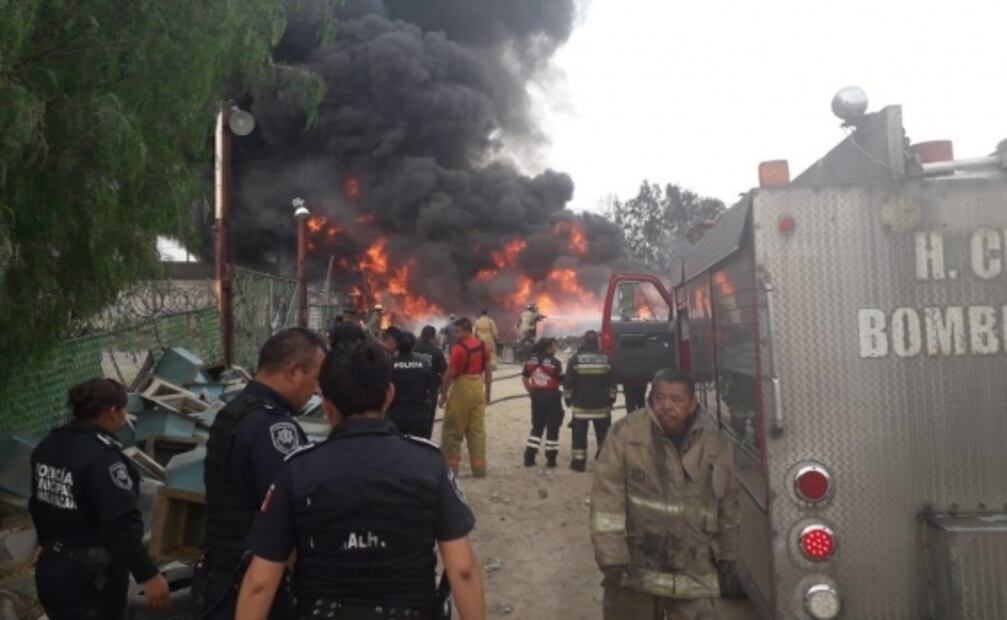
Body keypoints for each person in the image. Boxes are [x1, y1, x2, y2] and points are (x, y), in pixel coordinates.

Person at [236, 341, 486, 620]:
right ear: (389, 395)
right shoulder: (428, 463)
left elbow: (260, 582)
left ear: (328, 407)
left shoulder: (297, 470)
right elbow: (462, 570)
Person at [194, 328, 327, 619]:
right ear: (293, 371)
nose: (317, 391)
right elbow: (290, 514)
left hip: (219, 572)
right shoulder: (275, 428)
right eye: (315, 379)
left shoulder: (233, 411)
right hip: (253, 583)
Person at [590, 370, 741, 620]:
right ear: (650, 399)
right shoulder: (625, 435)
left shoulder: (715, 444)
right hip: (635, 572)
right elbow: (606, 501)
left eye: (676, 399)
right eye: (659, 398)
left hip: (694, 574)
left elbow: (729, 507)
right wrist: (611, 557)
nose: (666, 406)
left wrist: (728, 555)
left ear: (693, 403)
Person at [29, 378, 170, 619]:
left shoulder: (48, 445)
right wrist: (148, 575)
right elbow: (120, 526)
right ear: (112, 412)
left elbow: (39, 503)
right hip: (91, 581)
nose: (125, 416)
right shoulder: (102, 459)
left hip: (52, 571)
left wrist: (46, 541)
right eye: (123, 409)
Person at [438, 317, 492, 477]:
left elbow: (450, 373)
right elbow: (488, 370)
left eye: (457, 331)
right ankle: (479, 469)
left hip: (462, 388)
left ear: (466, 330)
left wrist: (443, 393)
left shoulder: (458, 349)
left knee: (452, 431)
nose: (455, 334)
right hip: (478, 386)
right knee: (476, 430)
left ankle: (450, 470)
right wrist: (488, 391)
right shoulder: (483, 346)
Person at [564, 330, 617, 472]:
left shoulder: (575, 359)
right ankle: (604, 463)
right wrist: (611, 399)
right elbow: (613, 383)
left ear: (584, 342)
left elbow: (568, 383)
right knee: (604, 436)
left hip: (581, 407)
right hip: (602, 407)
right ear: (597, 343)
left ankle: (578, 464)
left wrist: (568, 399)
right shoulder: (607, 359)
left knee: (579, 436)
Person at [521, 338, 564, 468]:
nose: (555, 348)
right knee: (553, 428)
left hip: (537, 396)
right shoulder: (555, 363)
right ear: (548, 348)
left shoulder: (531, 360)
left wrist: (531, 393)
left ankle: (529, 457)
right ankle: (551, 460)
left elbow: (524, 378)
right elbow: (561, 380)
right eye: (554, 346)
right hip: (552, 397)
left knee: (537, 426)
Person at [388, 330, 437, 438]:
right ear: (413, 344)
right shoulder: (424, 364)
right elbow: (430, 390)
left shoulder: (389, 364)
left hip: (395, 415)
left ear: (397, 345)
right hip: (418, 416)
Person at [415, 325, 448, 432]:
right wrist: (444, 392)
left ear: (421, 334)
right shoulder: (437, 352)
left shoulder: (413, 347)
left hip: (411, 390)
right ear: (434, 337)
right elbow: (444, 373)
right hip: (430, 392)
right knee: (427, 422)